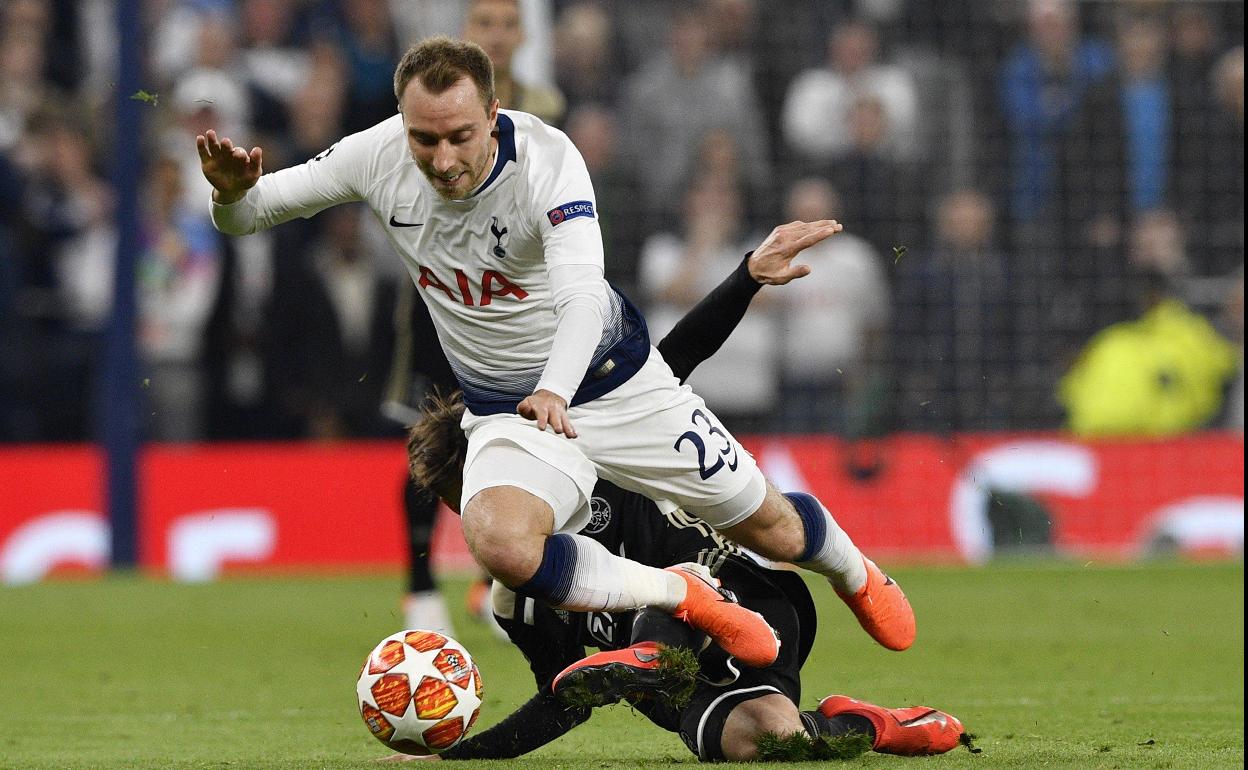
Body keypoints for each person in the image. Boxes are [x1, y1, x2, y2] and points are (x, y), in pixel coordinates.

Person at [196, 36, 914, 669]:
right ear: (401, 123)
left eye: (458, 136)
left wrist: (557, 390)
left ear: (494, 111)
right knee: (500, 544)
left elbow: (578, 295)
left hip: (615, 383)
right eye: (424, 139)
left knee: (774, 530)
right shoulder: (375, 155)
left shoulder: (549, 162)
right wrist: (228, 198)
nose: (442, 160)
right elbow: (251, 211)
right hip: (509, 410)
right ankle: (686, 594)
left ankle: (855, 572)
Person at [391, 246, 965, 762]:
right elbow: (564, 698)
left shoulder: (580, 448)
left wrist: (744, 279)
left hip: (745, 597)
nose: (482, 515)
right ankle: (870, 725)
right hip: (682, 691)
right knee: (772, 744)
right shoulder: (514, 598)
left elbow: (673, 359)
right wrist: (455, 757)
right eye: (464, 507)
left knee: (677, 579)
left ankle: (658, 646)